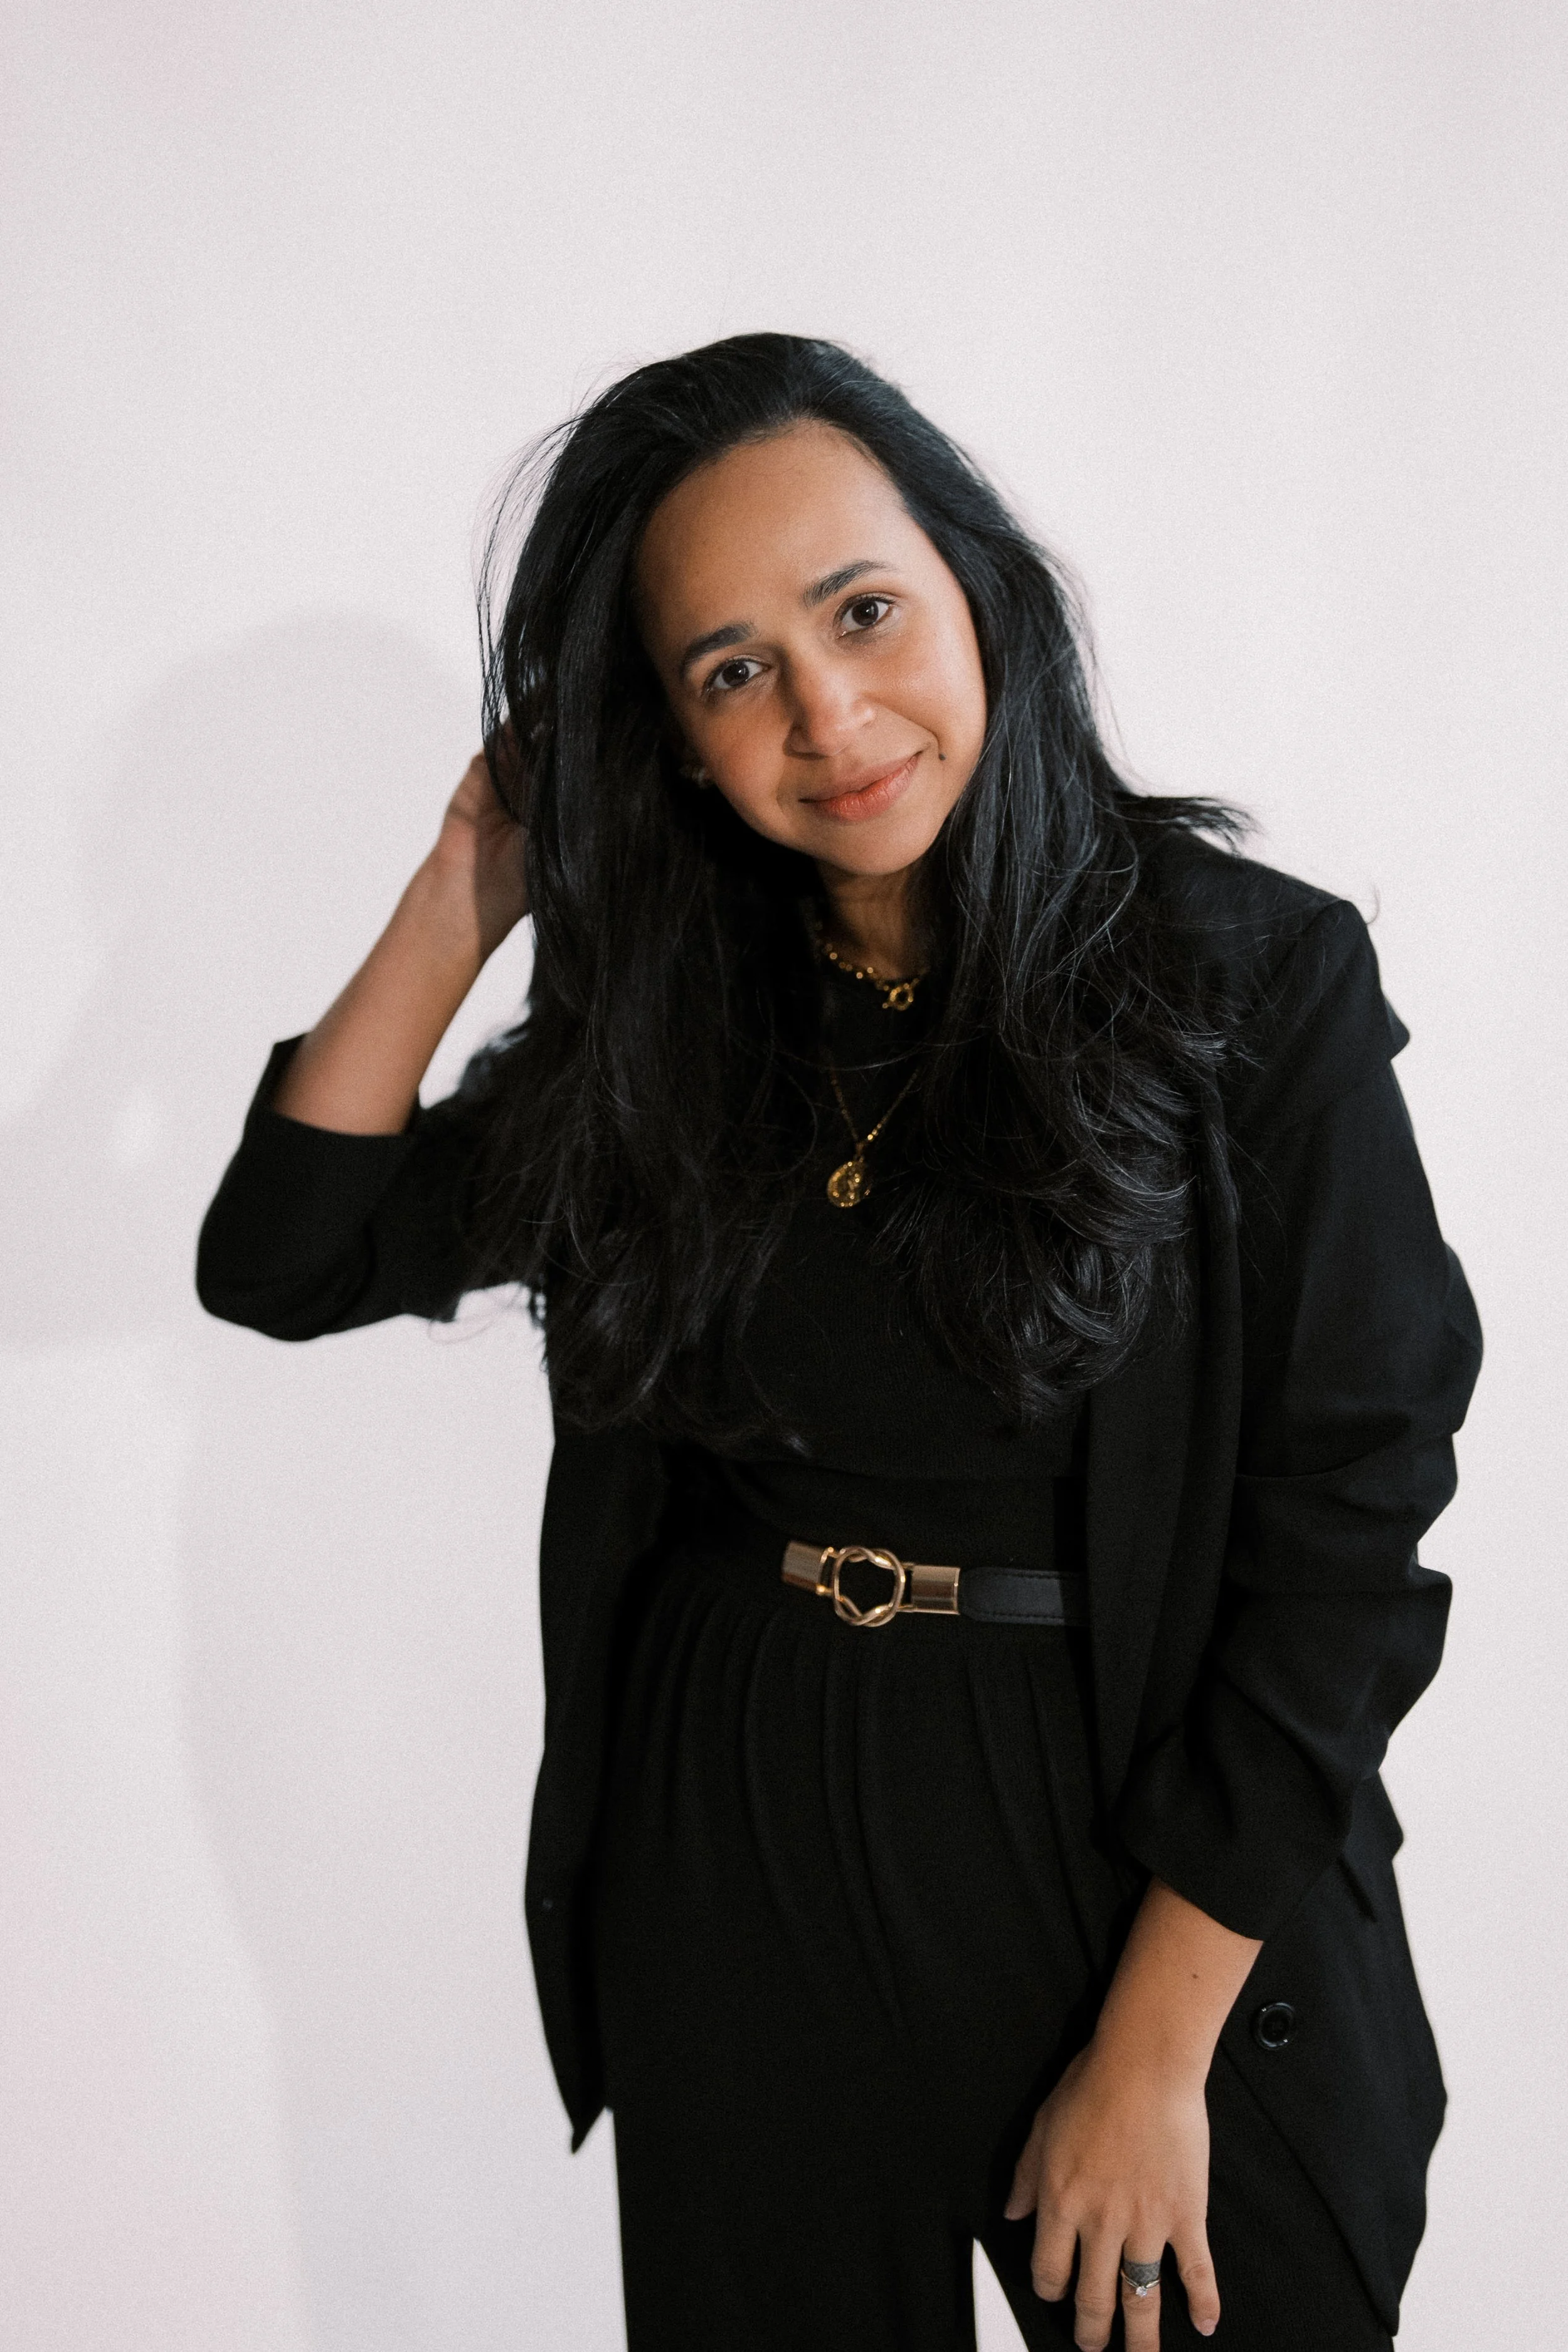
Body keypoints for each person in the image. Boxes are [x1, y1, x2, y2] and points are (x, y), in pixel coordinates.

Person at [196, 334, 1480, 2352]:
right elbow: (284, 1253)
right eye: (730, 671)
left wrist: (1149, 2059)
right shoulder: (672, 1033)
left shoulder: (1242, 981)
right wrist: (471, 880)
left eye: (860, 610)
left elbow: (1346, 1537)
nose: (825, 714)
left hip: (1124, 1854)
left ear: (975, 587)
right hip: (732, 1829)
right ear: (667, 734)